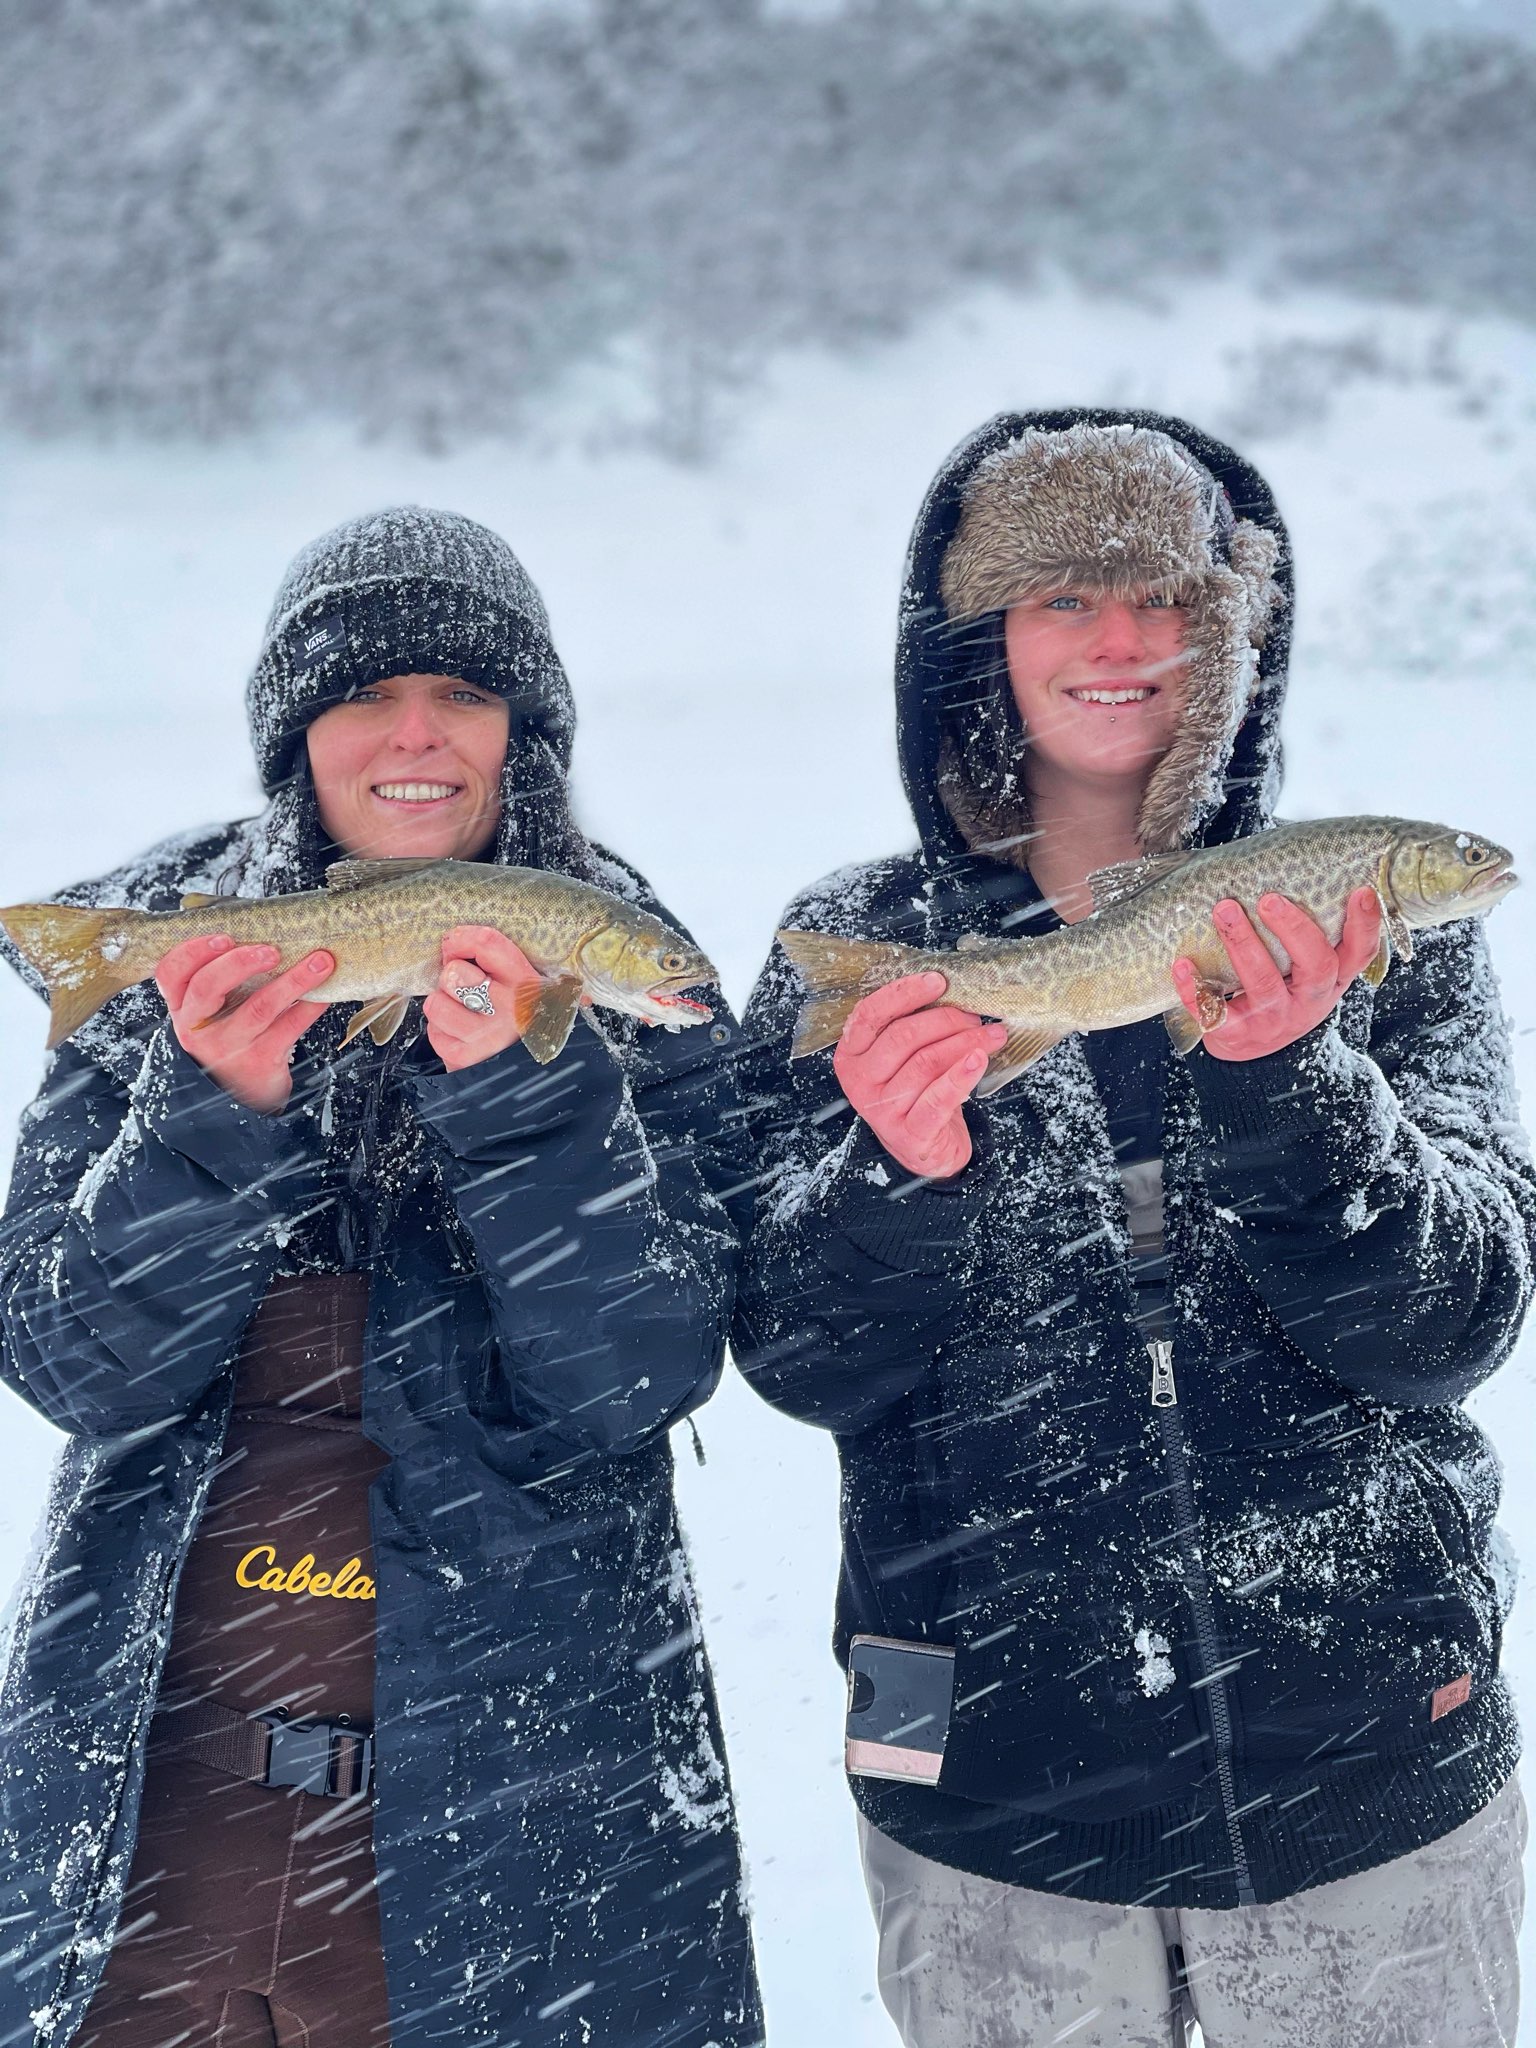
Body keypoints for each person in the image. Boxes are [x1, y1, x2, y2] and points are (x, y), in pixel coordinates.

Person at [733, 412, 1533, 2047]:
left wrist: (1291, 1087)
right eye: (1061, 600)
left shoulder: (1393, 949)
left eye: (1166, 597)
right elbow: (797, 1357)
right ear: (977, 645)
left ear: (1232, 635)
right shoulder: (860, 950)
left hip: (1367, 1774)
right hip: (984, 1795)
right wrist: (900, 1172)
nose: (1119, 643)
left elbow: (1456, 1323)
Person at [0, 507, 763, 2048]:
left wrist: (526, 1102)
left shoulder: (625, 957)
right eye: (363, 695)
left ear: (524, 734)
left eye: (464, 697)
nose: (414, 738)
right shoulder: (180, 945)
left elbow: (637, 1376)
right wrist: (214, 1109)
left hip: (516, 1814)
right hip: (159, 1802)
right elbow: (79, 1365)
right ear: (297, 734)